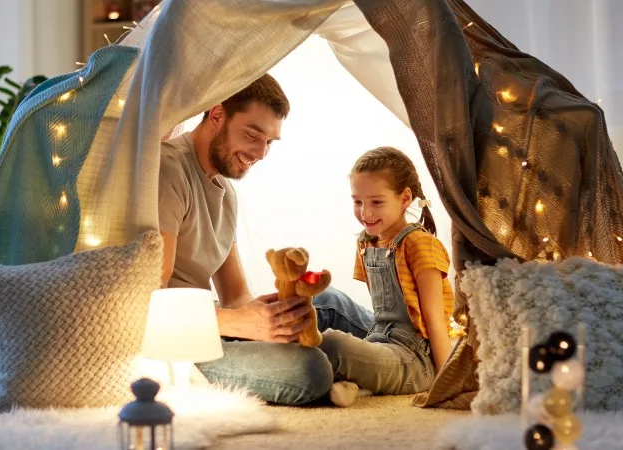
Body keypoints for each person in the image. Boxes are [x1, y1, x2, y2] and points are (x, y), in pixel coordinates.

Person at [157, 73, 374, 405]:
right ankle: (373, 364)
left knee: (326, 301)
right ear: (217, 114)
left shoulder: (226, 192)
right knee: (311, 370)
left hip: (216, 325)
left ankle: (412, 350)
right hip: (181, 344)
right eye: (252, 135)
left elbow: (235, 294)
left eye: (270, 142)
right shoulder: (168, 169)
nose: (260, 153)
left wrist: (267, 315)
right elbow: (149, 302)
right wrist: (238, 323)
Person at [318, 146, 454, 407]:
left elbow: (435, 320)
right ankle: (357, 384)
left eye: (377, 202)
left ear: (405, 198)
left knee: (333, 344)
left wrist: (447, 383)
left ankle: (352, 380)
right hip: (379, 338)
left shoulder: (420, 245)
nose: (365, 213)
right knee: (321, 306)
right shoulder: (365, 243)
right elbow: (382, 316)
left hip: (415, 359)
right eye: (358, 202)